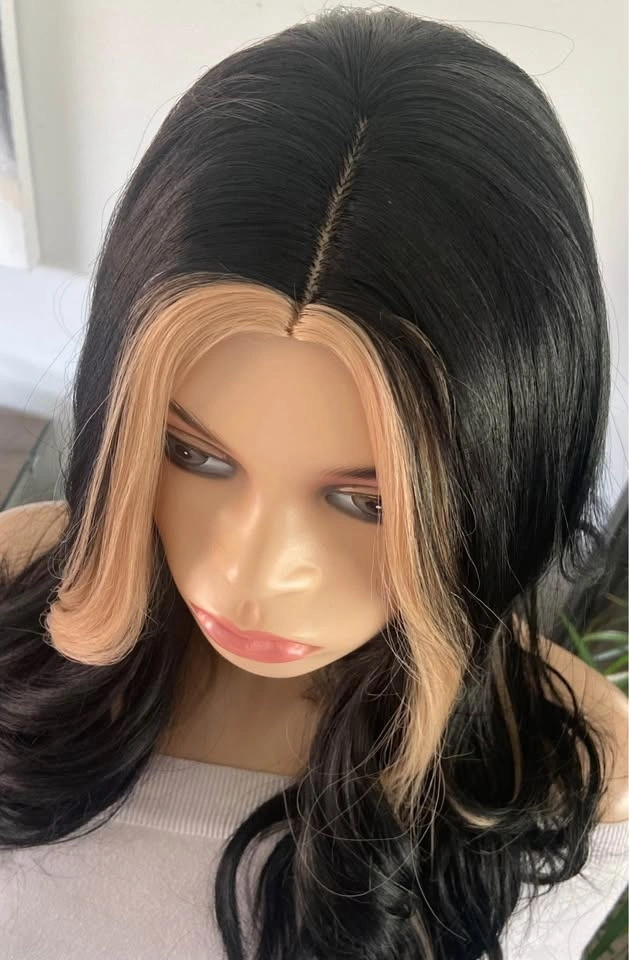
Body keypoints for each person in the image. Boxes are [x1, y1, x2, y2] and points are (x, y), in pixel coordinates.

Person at [0, 7, 627, 959]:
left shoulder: (567, 776)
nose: (250, 573)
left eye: (366, 501)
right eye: (194, 455)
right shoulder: (15, 590)